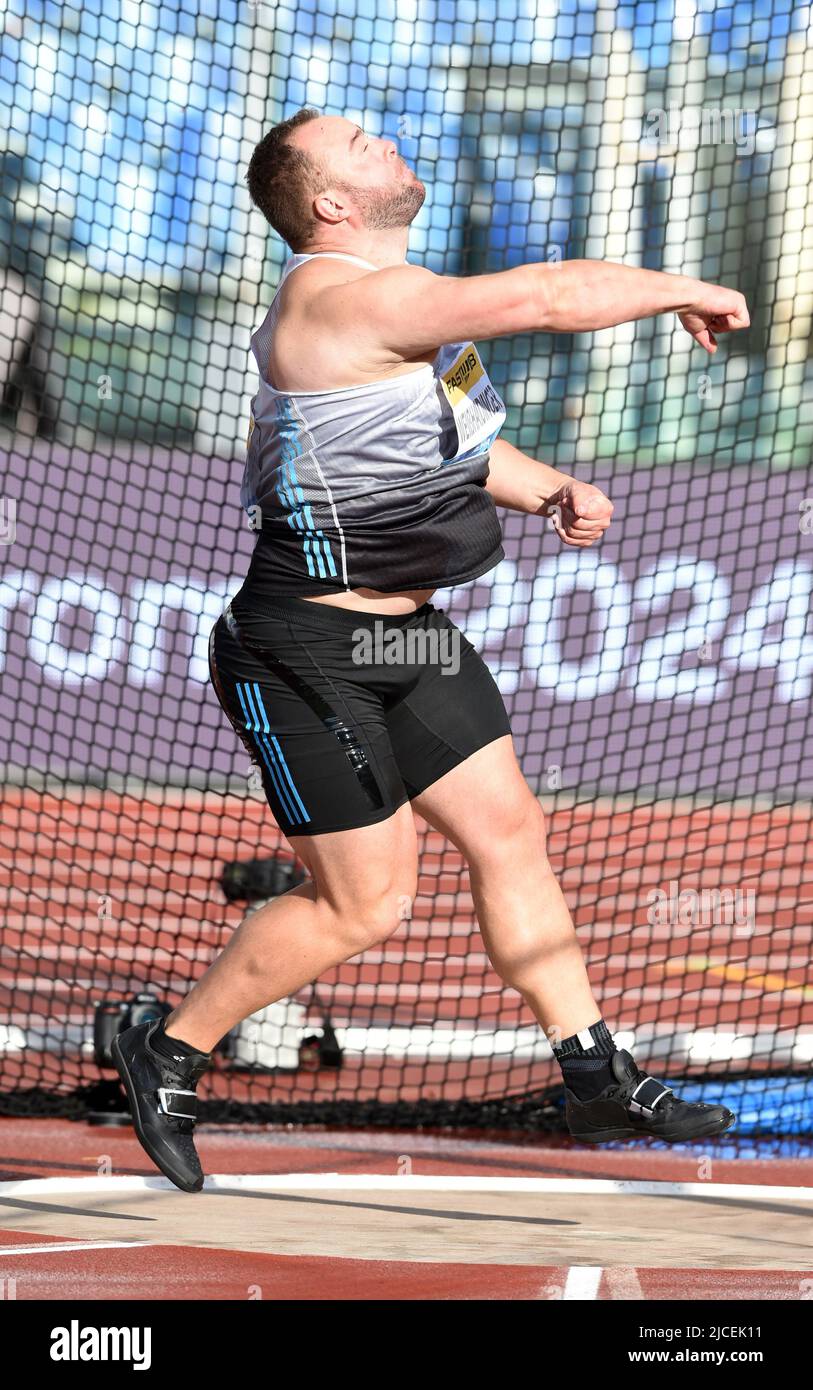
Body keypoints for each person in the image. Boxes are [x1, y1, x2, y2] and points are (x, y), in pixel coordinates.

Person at [112, 108, 749, 1192]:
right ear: (330, 204)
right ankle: (168, 1048)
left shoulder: (407, 315)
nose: (389, 141)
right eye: (362, 144)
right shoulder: (342, 299)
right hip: (300, 645)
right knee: (366, 903)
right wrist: (682, 287)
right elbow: (549, 298)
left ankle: (592, 1069)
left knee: (509, 830)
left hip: (412, 637)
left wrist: (550, 488)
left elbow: (465, 438)